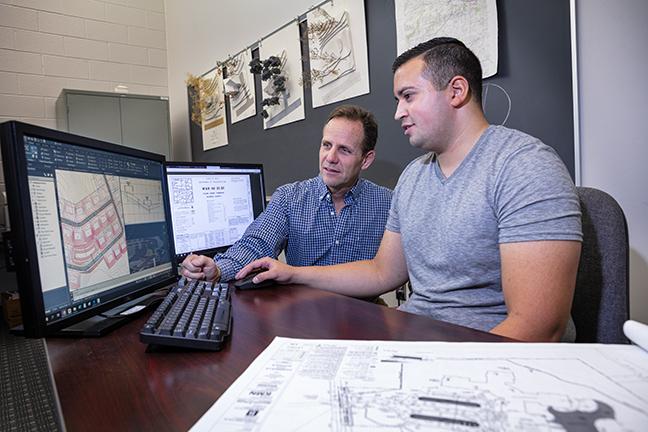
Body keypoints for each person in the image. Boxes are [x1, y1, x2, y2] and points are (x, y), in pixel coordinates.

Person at [236, 37, 583, 342]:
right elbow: (381, 272)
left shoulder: (525, 167)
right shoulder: (413, 177)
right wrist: (293, 273)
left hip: (485, 358)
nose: (398, 112)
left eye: (408, 96)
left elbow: (538, 327)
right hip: (416, 337)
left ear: (456, 91)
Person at [180, 104, 392, 285]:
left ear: (366, 159)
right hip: (304, 315)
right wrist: (217, 270)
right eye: (326, 145)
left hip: (364, 313)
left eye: (344, 150)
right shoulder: (289, 198)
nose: (330, 157)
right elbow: (256, 244)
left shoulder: (388, 204)